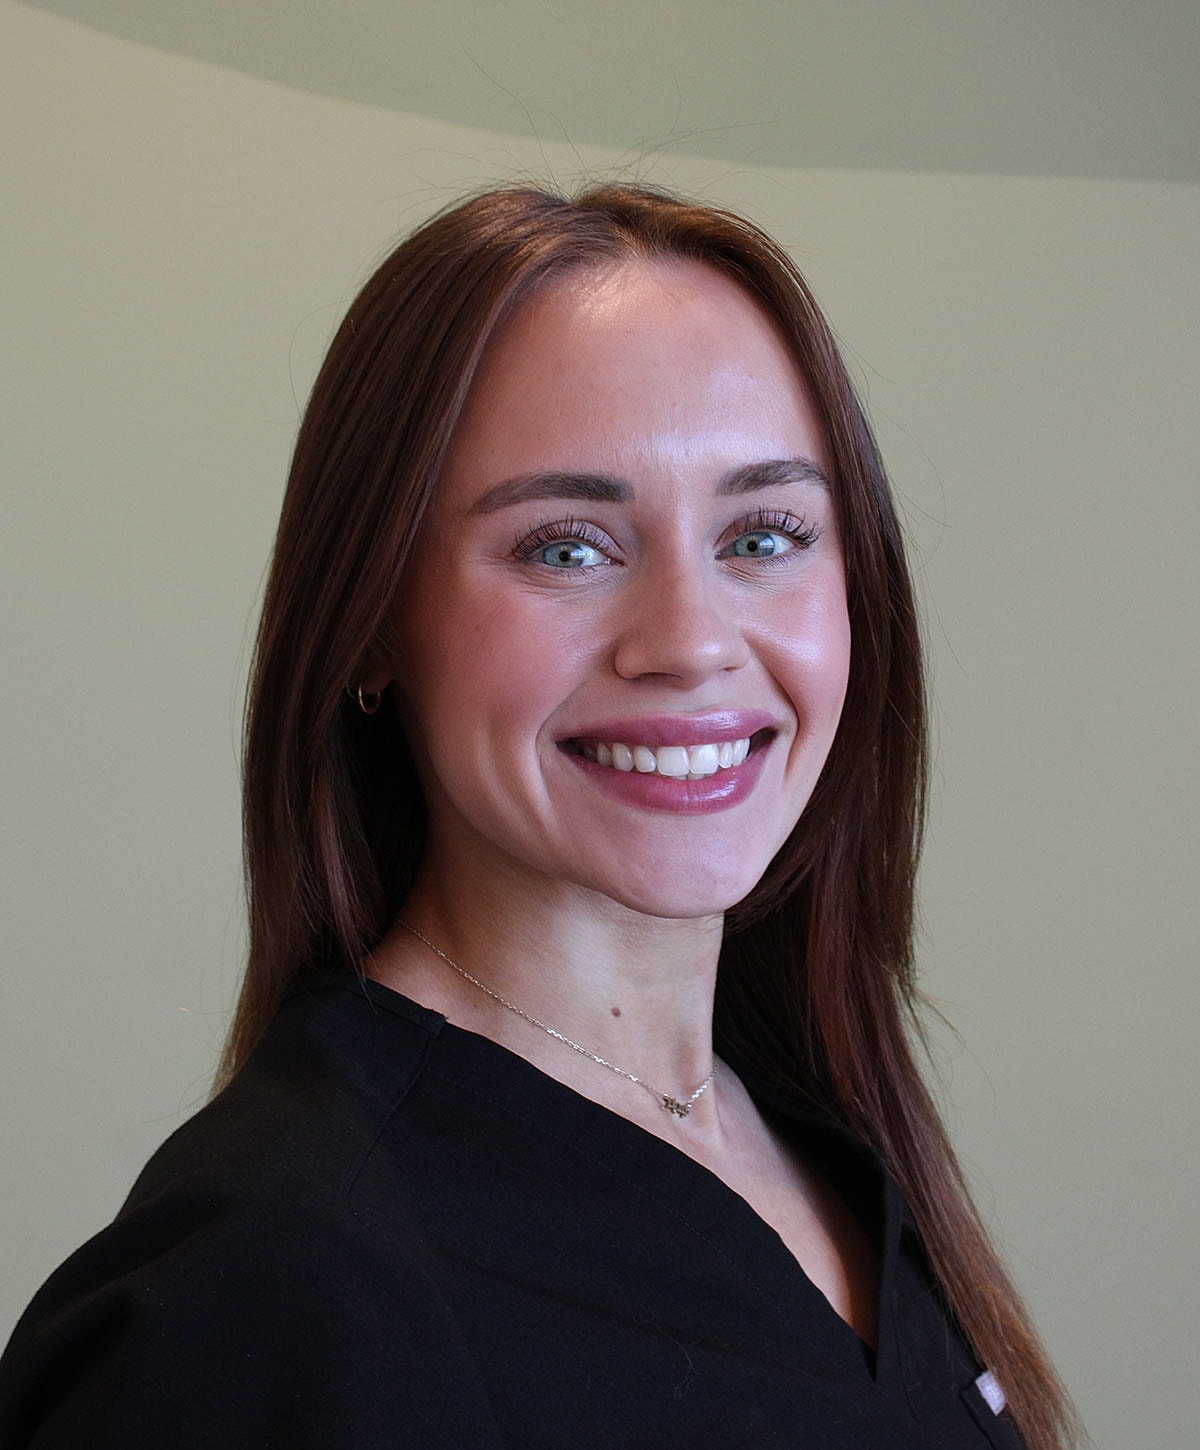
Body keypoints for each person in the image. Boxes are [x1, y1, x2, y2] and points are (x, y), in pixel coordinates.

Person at [0, 183, 1078, 1449]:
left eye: (767, 532)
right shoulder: (271, 1284)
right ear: (370, 621)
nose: (689, 643)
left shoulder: (820, 1141)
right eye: (568, 546)